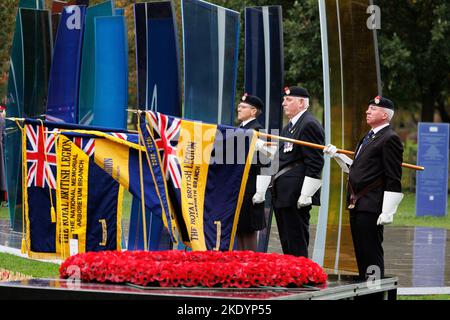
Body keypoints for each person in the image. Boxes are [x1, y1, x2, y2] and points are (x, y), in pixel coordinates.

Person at [323, 96, 404, 281]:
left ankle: (374, 290)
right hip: (358, 203)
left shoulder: (390, 138)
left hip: (372, 204)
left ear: (384, 115)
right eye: (368, 109)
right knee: (360, 251)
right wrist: (337, 155)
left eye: (373, 109)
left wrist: (388, 211)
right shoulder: (368, 136)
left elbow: (393, 177)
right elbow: (356, 169)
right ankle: (365, 289)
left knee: (371, 251)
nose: (367, 111)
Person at [270, 86, 325, 257]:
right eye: (284, 100)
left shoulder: (309, 124)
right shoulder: (289, 127)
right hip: (283, 193)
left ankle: (301, 278)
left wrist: (306, 194)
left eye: (289, 100)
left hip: (296, 193)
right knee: (287, 240)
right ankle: (291, 277)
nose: (283, 104)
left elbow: (315, 162)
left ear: (301, 103)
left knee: (296, 240)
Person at [235, 93, 270, 251]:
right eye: (239, 106)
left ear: (253, 111)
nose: (239, 108)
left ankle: (251, 269)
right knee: (239, 230)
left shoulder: (259, 131)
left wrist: (260, 191)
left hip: (250, 188)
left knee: (248, 231)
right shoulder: (240, 129)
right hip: (238, 186)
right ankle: (242, 267)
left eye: (243, 107)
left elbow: (267, 162)